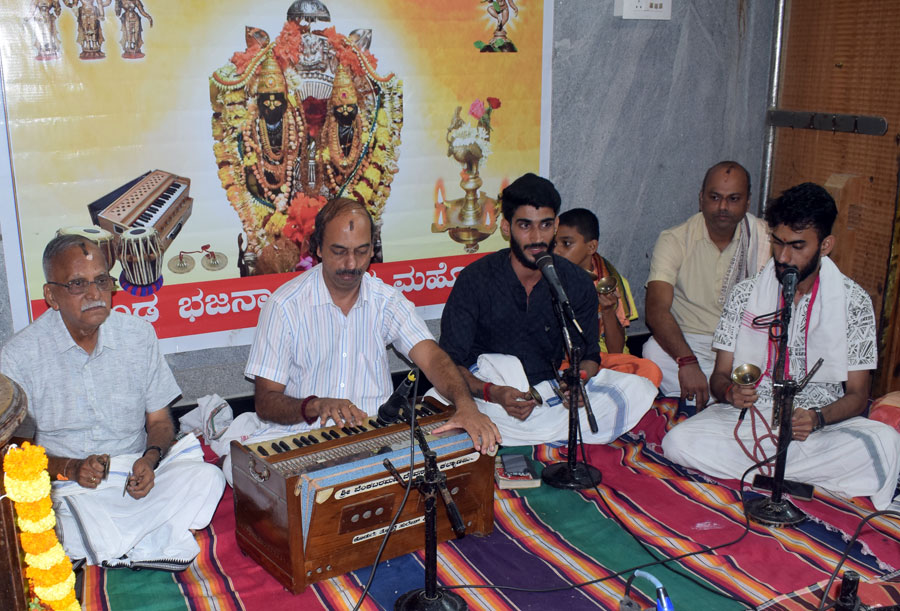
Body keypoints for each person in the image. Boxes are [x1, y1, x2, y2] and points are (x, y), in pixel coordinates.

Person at [221, 198, 500, 484]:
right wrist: (315, 406)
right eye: (339, 251)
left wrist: (466, 406)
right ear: (318, 248)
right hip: (303, 438)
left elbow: (433, 358)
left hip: (377, 436)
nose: (351, 264)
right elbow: (266, 403)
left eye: (361, 251)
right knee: (239, 469)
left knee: (460, 444)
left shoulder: (386, 301)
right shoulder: (284, 306)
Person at [661, 183, 900, 509]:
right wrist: (731, 393)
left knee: (884, 445)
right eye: (778, 242)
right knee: (678, 442)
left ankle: (765, 471)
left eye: (797, 246)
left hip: (817, 429)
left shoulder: (853, 301)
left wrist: (817, 418)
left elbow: (858, 396)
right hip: (751, 420)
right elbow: (720, 377)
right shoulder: (746, 294)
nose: (783, 257)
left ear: (825, 245)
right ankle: (794, 477)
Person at [2, 234, 225, 568]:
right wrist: (70, 468)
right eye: (78, 284)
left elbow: (160, 421)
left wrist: (150, 459)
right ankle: (149, 538)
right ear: (51, 296)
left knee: (208, 479)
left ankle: (109, 543)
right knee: (38, 518)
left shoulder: (138, 334)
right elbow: (15, 454)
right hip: (68, 488)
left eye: (102, 281)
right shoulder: (19, 355)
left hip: (134, 478)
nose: (94, 294)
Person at [439, 173, 656, 446]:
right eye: (525, 226)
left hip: (546, 395)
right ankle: (530, 434)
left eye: (545, 225)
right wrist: (492, 392)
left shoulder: (575, 282)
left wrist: (578, 381)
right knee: (446, 410)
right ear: (506, 227)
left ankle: (527, 434)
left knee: (638, 388)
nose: (536, 237)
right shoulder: (475, 279)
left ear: (556, 225)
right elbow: (448, 363)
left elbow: (589, 356)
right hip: (486, 394)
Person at [644, 161, 770, 407]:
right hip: (689, 342)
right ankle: (723, 401)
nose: (723, 207)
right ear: (701, 199)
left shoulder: (765, 239)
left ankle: (709, 402)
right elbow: (656, 309)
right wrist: (687, 361)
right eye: (715, 197)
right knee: (652, 352)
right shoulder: (675, 239)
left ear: (747, 202)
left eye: (733, 199)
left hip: (742, 345)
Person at [553, 208, 662, 387]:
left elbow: (615, 350)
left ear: (591, 247)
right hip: (567, 358)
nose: (556, 251)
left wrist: (608, 310)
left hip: (605, 359)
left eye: (566, 244)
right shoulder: (549, 278)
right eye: (554, 243)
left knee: (649, 371)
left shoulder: (611, 281)